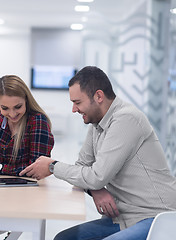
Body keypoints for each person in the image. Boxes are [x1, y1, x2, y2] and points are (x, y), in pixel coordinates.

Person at [20, 66, 176, 240]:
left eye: (77, 102)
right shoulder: (98, 124)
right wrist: (96, 190)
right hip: (123, 218)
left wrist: (52, 166)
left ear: (99, 96)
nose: (73, 109)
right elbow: (82, 168)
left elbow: (96, 176)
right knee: (63, 238)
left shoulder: (126, 119)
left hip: (156, 217)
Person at [0, 75, 54, 179]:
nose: (12, 114)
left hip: (28, 189)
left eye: (18, 107)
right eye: (5, 108)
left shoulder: (38, 121)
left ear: (26, 100)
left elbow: (36, 169)